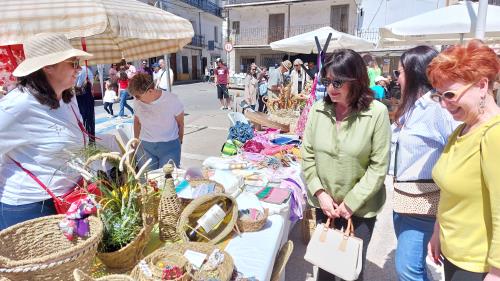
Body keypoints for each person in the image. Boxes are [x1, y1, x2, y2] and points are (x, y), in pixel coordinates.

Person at [301, 49, 391, 281]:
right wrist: (320, 194)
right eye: (327, 81)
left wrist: (351, 203)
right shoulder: (318, 110)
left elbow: (378, 167)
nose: (331, 88)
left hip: (360, 208)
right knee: (325, 267)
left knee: (351, 270)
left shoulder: (377, 113)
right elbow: (307, 155)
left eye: (338, 82)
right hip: (326, 205)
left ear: (357, 80)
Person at [0, 33, 92, 230]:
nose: (79, 69)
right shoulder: (17, 105)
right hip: (30, 208)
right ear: (48, 66)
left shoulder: (68, 97)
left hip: (70, 199)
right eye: (73, 63)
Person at [427, 40, 500, 281]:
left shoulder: (494, 134)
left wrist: (497, 270)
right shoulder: (463, 129)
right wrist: (438, 231)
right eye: (439, 96)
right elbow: (450, 192)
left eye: (450, 94)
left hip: (477, 265)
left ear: (481, 85)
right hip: (454, 254)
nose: (445, 104)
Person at [388, 46, 459, 281]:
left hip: (424, 204)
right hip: (404, 199)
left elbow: (458, 152)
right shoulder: (412, 107)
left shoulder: (436, 109)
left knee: (408, 269)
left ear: (415, 72)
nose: (396, 79)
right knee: (414, 266)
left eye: (399, 72)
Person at [128, 73, 184, 168]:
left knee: (167, 180)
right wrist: (136, 141)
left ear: (150, 91)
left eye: (137, 96)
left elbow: (180, 124)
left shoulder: (172, 100)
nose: (136, 99)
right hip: (145, 147)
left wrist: (179, 141)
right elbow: (137, 122)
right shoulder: (137, 102)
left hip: (169, 147)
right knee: (148, 181)